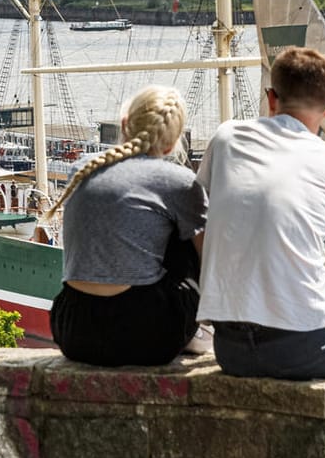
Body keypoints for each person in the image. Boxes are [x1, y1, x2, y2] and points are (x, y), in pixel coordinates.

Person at [196, 46, 325, 380]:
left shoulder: (227, 138)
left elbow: (200, 224)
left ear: (271, 97)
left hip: (230, 349)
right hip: (303, 349)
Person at [48, 85, 207, 367]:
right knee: (186, 235)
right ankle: (195, 335)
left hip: (72, 330)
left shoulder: (83, 168)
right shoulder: (178, 181)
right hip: (146, 336)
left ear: (124, 125)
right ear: (171, 144)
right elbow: (208, 260)